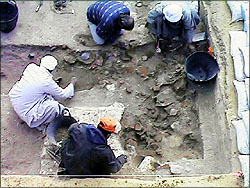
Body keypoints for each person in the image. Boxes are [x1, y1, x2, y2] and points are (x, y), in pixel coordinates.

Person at [8, 55, 77, 131]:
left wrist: (51, 84)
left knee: (46, 94)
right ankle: (43, 123)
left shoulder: (31, 67)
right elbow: (64, 95)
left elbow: (36, 83)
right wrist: (72, 84)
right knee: (54, 106)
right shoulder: (47, 82)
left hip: (15, 99)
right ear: (52, 69)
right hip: (28, 113)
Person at [58, 116, 127, 176]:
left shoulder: (81, 128)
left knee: (68, 141)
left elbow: (71, 128)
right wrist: (122, 158)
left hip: (67, 163)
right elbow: (113, 168)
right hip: (81, 174)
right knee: (105, 169)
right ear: (109, 135)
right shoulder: (104, 151)